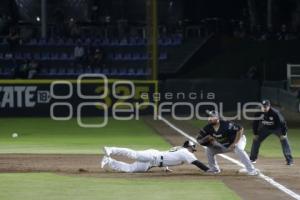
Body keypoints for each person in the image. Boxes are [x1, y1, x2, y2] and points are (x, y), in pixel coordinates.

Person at [197, 110, 258, 176]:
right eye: (208, 117)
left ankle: (252, 170)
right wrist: (205, 140)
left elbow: (240, 129)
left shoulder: (226, 124)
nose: (209, 119)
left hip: (239, 140)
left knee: (238, 148)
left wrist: (235, 143)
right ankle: (214, 169)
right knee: (209, 150)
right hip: (225, 145)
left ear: (217, 117)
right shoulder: (207, 128)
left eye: (212, 117)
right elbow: (199, 139)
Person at [101, 140, 209, 173]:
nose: (193, 151)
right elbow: (196, 162)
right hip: (153, 155)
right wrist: (208, 170)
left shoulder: (180, 149)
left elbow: (169, 157)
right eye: (192, 149)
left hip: (153, 162)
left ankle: (108, 161)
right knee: (134, 154)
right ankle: (111, 149)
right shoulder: (186, 152)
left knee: (130, 169)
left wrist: (166, 168)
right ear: (188, 147)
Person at [250, 100, 294, 165]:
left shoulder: (275, 112)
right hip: (266, 128)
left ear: (269, 106)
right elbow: (255, 123)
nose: (264, 108)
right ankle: (252, 159)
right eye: (263, 106)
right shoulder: (258, 113)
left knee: (284, 140)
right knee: (256, 139)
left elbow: (283, 123)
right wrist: (255, 133)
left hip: (277, 128)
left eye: (266, 107)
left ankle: (289, 160)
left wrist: (283, 133)